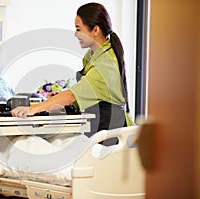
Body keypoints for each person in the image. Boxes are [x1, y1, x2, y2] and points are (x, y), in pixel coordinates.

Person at [11, 3, 134, 139]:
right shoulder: (93, 55)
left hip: (111, 129)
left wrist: (32, 109)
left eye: (78, 29)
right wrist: (59, 101)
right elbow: (89, 93)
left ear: (95, 30)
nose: (76, 34)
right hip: (98, 125)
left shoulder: (105, 64)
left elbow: (71, 95)